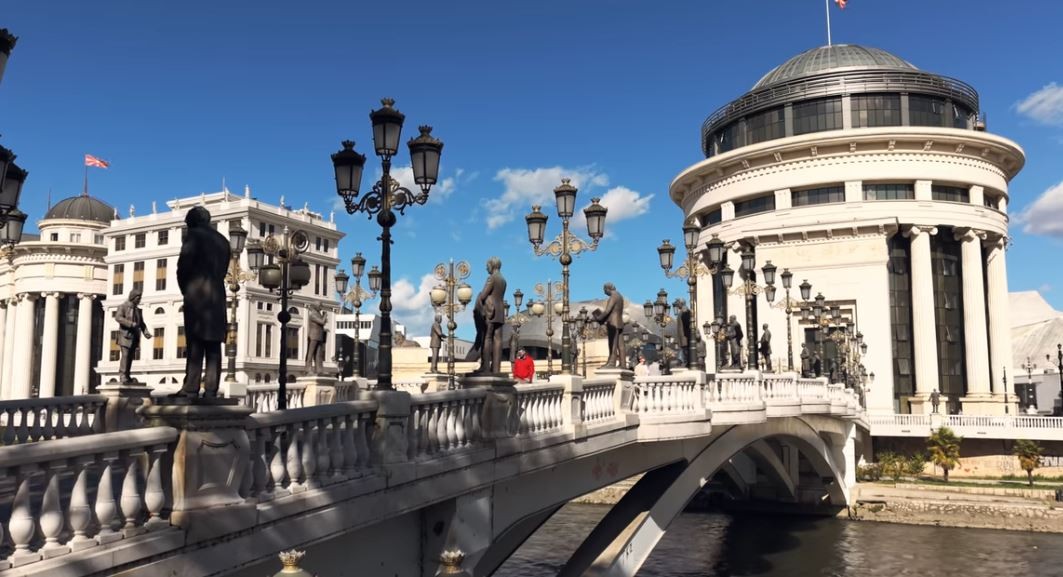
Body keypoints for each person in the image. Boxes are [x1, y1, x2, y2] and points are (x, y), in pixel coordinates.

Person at [175, 206, 230, 399]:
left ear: (194, 220)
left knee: (196, 342)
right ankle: (211, 390)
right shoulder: (223, 241)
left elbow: (183, 267)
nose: (187, 225)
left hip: (197, 295)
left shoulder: (194, 236)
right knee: (214, 345)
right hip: (217, 296)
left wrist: (186, 289)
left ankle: (191, 388)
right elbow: (223, 271)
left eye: (188, 221)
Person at [470, 256, 506, 374]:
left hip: (490, 311)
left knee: (487, 337)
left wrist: (478, 297)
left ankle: (485, 368)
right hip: (500, 311)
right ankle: (496, 369)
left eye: (487, 266)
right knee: (498, 339)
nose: (486, 268)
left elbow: (483, 295)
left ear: (492, 265)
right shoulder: (503, 280)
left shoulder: (492, 278)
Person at [115, 288, 152, 383]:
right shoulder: (123, 307)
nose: (139, 300)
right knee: (125, 355)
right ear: (133, 297)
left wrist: (146, 332)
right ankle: (123, 375)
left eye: (140, 298)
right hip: (125, 336)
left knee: (130, 357)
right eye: (138, 298)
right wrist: (130, 324)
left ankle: (127, 375)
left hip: (134, 337)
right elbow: (118, 317)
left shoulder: (138, 310)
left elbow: (141, 323)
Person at [592, 282, 626, 368]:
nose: (604, 292)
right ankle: (623, 364)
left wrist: (599, 318)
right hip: (620, 322)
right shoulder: (620, 296)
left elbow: (607, 311)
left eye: (604, 290)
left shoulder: (613, 296)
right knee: (620, 345)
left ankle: (611, 363)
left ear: (608, 289)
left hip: (613, 323)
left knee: (612, 343)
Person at [305, 306, 328, 375]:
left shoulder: (318, 314)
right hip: (313, 336)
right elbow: (322, 322)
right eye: (320, 306)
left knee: (319, 354)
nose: (321, 307)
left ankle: (319, 370)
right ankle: (308, 369)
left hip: (319, 336)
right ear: (316, 306)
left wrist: (323, 317)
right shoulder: (312, 314)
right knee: (310, 353)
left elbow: (323, 322)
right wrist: (325, 315)